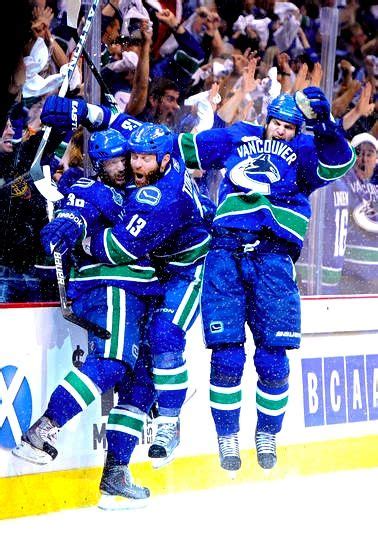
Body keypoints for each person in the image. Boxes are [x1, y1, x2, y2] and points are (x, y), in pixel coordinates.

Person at [174, 87, 355, 471]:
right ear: (267, 119)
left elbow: (342, 160)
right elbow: (180, 148)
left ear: (298, 128)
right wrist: (110, 121)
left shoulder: (307, 150)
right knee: (227, 356)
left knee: (273, 361)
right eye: (276, 123)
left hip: (274, 259)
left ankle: (267, 433)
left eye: (289, 127)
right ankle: (227, 438)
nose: (281, 131)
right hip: (225, 252)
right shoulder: (239, 135)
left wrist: (325, 125)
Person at [12, 128, 161, 510]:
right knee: (110, 364)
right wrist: (65, 227)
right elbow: (75, 213)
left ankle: (115, 476)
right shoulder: (91, 189)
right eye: (112, 162)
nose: (121, 168)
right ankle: (43, 429)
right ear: (98, 163)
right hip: (111, 286)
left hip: (140, 292)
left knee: (142, 382)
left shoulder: (140, 191)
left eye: (124, 159)